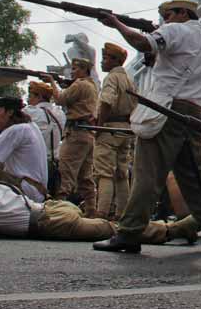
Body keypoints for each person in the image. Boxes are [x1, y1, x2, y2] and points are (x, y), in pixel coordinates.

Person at [94, 0, 201, 253]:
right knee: (196, 177)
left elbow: (143, 43)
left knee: (147, 174)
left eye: (168, 15)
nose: (165, 20)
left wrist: (117, 24)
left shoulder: (175, 30)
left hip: (167, 107)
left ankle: (129, 233)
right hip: (193, 111)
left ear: (183, 13)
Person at [0, 159, 195, 246]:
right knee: (110, 225)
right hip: (53, 209)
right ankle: (171, 227)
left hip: (51, 222)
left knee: (114, 231)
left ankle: (173, 230)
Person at [45, 57, 99, 215]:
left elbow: (60, 99)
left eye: (75, 69)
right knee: (85, 177)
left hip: (75, 133)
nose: (72, 71)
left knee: (65, 172)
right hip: (87, 133)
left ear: (83, 70)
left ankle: (59, 210)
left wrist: (51, 82)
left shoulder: (80, 84)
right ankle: (91, 210)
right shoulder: (91, 85)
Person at [93, 42, 138, 220]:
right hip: (126, 129)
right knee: (121, 173)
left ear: (115, 60)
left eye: (105, 58)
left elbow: (106, 102)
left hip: (110, 127)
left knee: (104, 172)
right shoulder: (130, 80)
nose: (102, 62)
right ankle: (122, 213)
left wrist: (99, 126)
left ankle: (101, 212)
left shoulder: (111, 78)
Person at [23, 80, 66, 195]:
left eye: (30, 96)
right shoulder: (60, 114)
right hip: (54, 163)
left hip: (34, 164)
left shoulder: (30, 112)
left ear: (39, 96)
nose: (28, 99)